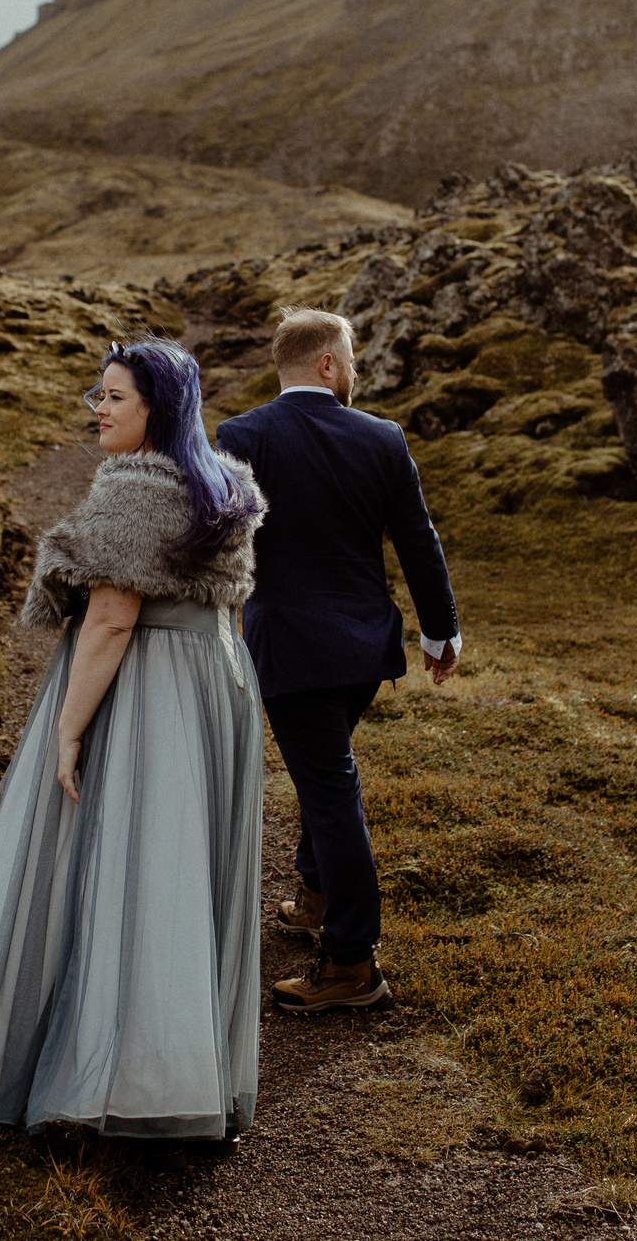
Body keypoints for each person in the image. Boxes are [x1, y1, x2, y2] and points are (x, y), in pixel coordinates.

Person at [0, 337, 269, 1140]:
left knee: (120, 864)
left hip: (153, 686)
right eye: (97, 394)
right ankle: (179, 1070)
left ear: (156, 407)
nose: (98, 409)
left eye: (115, 397)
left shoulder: (135, 485)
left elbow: (113, 615)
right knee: (181, 869)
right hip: (217, 681)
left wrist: (64, 728)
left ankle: (106, 1074)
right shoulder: (225, 482)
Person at [213, 307, 459, 1013]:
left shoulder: (243, 435)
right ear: (326, 363)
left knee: (329, 786)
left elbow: (224, 541)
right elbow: (419, 538)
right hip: (363, 647)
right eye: (350, 358)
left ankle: (352, 960)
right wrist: (441, 633)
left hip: (289, 646)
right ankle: (318, 897)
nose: (355, 372)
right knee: (328, 773)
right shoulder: (384, 437)